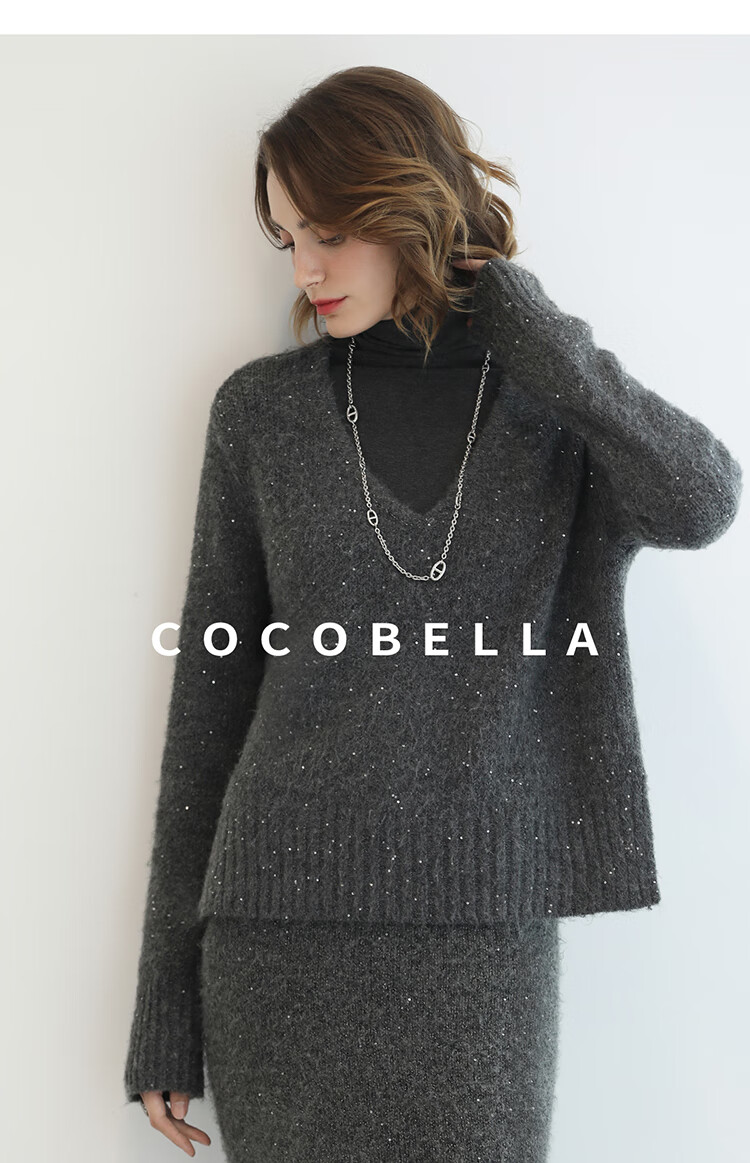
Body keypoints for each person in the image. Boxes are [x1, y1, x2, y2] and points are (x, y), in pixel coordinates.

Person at [124, 66, 743, 1161]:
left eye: (330, 233)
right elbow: (207, 713)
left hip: (483, 935)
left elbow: (699, 501)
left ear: (410, 206)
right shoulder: (261, 415)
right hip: (277, 942)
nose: (306, 269)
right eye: (288, 239)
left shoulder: (551, 414)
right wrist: (167, 1003)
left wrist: (537, 334)